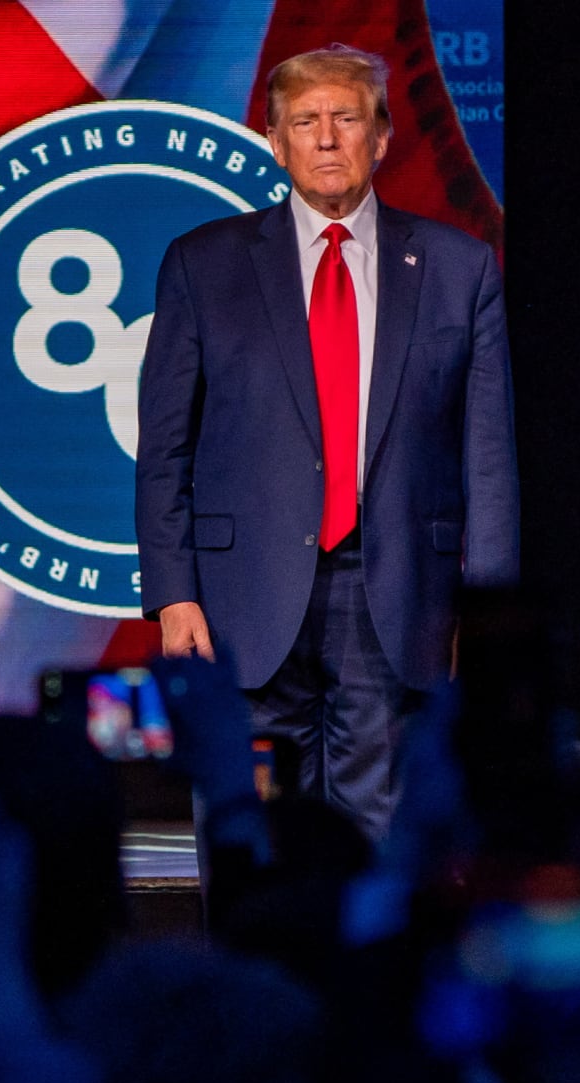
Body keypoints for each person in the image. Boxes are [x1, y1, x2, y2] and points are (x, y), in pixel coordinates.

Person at [135, 44, 521, 840]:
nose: (325, 138)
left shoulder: (459, 267)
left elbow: (488, 459)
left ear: (381, 137)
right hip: (239, 604)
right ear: (274, 143)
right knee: (249, 831)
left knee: (378, 838)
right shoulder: (202, 265)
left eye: (346, 118)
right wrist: (173, 594)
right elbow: (164, 448)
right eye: (304, 121)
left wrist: (488, 618)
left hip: (396, 596)